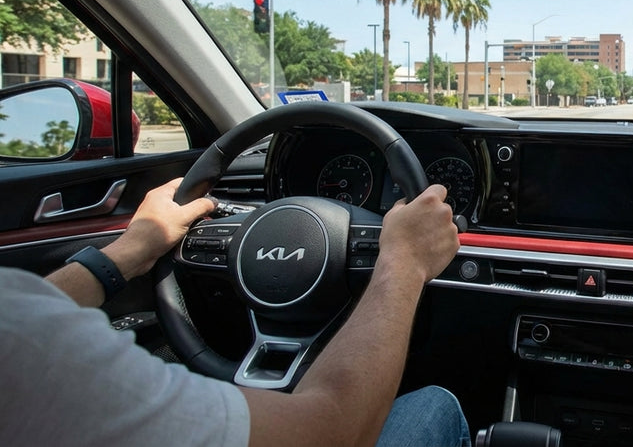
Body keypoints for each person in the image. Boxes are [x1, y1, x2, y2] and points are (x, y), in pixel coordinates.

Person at [0, 177, 470, 447]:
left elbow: (25, 312)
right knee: (436, 404)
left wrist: (128, 251)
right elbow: (332, 433)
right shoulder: (34, 363)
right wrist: (403, 261)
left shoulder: (21, 339)